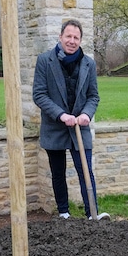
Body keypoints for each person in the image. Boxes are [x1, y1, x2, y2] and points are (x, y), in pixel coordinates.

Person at [33, 19, 109, 220]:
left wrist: (86, 114)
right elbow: (39, 94)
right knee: (58, 172)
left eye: (76, 37)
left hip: (80, 127)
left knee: (86, 172)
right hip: (54, 126)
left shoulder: (88, 63)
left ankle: (92, 214)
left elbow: (93, 96)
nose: (72, 41)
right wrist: (61, 115)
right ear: (60, 37)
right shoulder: (45, 61)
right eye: (68, 36)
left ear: (80, 40)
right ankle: (64, 213)